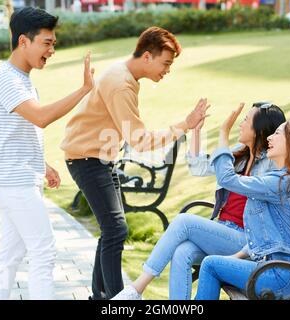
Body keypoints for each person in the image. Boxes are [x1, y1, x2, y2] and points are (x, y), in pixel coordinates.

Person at [112, 102, 290, 300]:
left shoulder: (275, 175)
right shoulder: (244, 157)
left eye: (246, 120)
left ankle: (136, 289)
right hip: (267, 258)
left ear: (259, 130)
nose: (242, 123)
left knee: (187, 227)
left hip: (279, 268)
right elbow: (201, 166)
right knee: (183, 251)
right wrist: (196, 131)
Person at [60, 26, 209, 300]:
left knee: (111, 230)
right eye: (165, 63)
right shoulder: (121, 84)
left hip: (99, 157)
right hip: (87, 158)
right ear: (147, 56)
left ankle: (102, 296)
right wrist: (185, 125)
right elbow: (139, 141)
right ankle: (117, 299)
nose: (167, 70)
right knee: (116, 230)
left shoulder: (124, 76)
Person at [0, 7, 94, 300]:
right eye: (47, 43)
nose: (52, 50)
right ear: (24, 42)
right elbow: (41, 117)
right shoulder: (7, 78)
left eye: (54, 44)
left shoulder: (21, 78)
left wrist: (42, 165)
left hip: (16, 178)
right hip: (14, 182)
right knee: (43, 250)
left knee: (10, 255)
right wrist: (84, 89)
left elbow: (13, 131)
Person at [195, 104, 290, 299]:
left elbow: (227, 179)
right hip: (288, 273)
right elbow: (265, 232)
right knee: (215, 264)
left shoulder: (280, 183)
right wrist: (234, 259)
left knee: (210, 265)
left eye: (277, 134)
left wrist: (223, 134)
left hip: (282, 275)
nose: (269, 137)